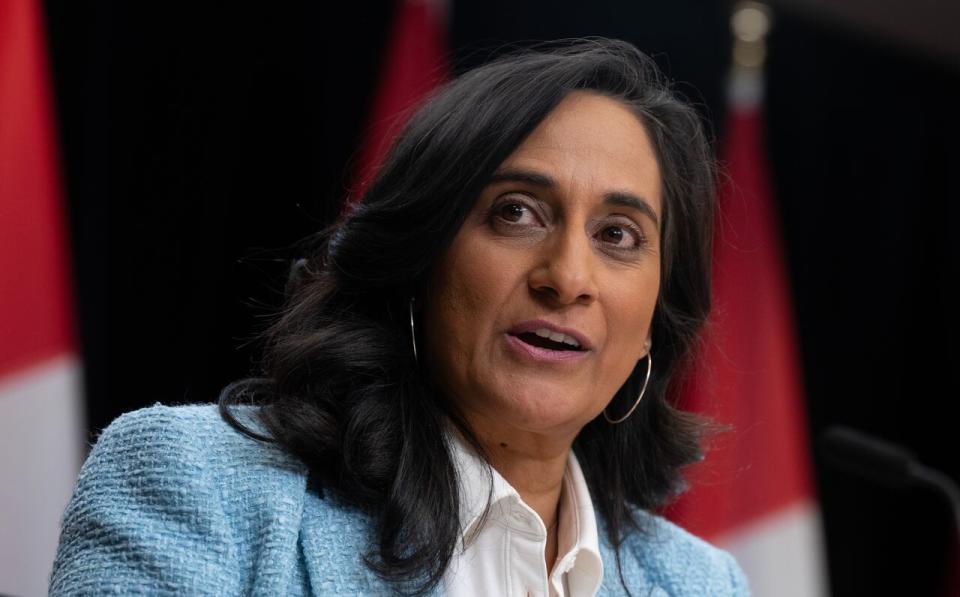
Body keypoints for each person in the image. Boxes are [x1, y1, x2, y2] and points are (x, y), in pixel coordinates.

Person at [49, 39, 749, 596]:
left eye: (618, 235)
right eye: (515, 213)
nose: (567, 277)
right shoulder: (196, 484)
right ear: (418, 258)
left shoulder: (701, 583)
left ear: (655, 319)